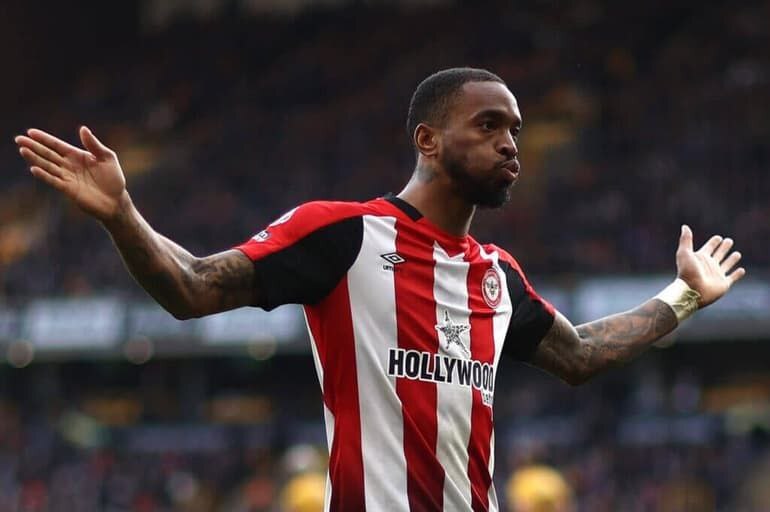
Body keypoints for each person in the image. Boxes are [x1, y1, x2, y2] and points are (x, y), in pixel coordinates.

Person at [14, 68, 745, 512]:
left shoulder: (497, 275)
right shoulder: (344, 235)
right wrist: (122, 213)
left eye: (517, 131)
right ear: (428, 140)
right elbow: (192, 288)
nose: (510, 144)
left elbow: (580, 354)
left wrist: (683, 297)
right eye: (489, 125)